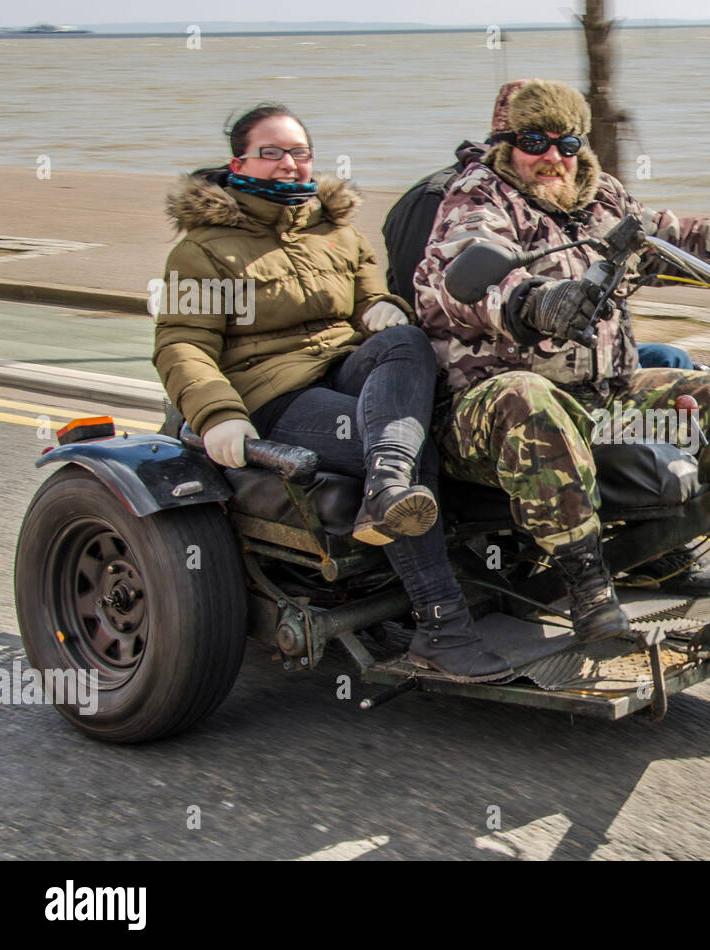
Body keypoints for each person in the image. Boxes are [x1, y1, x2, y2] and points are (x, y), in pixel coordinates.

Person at [414, 78, 710, 644]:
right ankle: (587, 589)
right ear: (506, 143)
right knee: (529, 398)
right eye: (535, 140)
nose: (553, 158)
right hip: (485, 418)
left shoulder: (603, 201)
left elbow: (683, 240)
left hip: (603, 405)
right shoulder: (477, 198)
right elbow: (463, 274)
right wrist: (532, 301)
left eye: (567, 144)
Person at [153, 103, 512, 683]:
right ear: (238, 161)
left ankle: (388, 487)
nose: (289, 164)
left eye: (299, 152)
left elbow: (376, 295)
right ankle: (441, 626)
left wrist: (380, 310)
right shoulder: (203, 250)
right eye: (271, 153)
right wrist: (217, 415)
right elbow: (181, 345)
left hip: (347, 369)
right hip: (276, 392)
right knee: (412, 444)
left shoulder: (334, 229)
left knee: (408, 344)